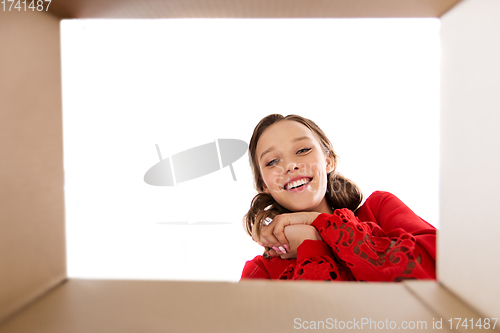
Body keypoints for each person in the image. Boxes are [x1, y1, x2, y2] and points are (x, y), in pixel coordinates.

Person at [240, 114, 436, 282]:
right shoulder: (261, 273)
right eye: (272, 161)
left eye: (302, 150)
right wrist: (311, 243)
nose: (290, 165)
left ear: (328, 161)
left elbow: (442, 275)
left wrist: (316, 224)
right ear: (263, 184)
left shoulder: (380, 209)